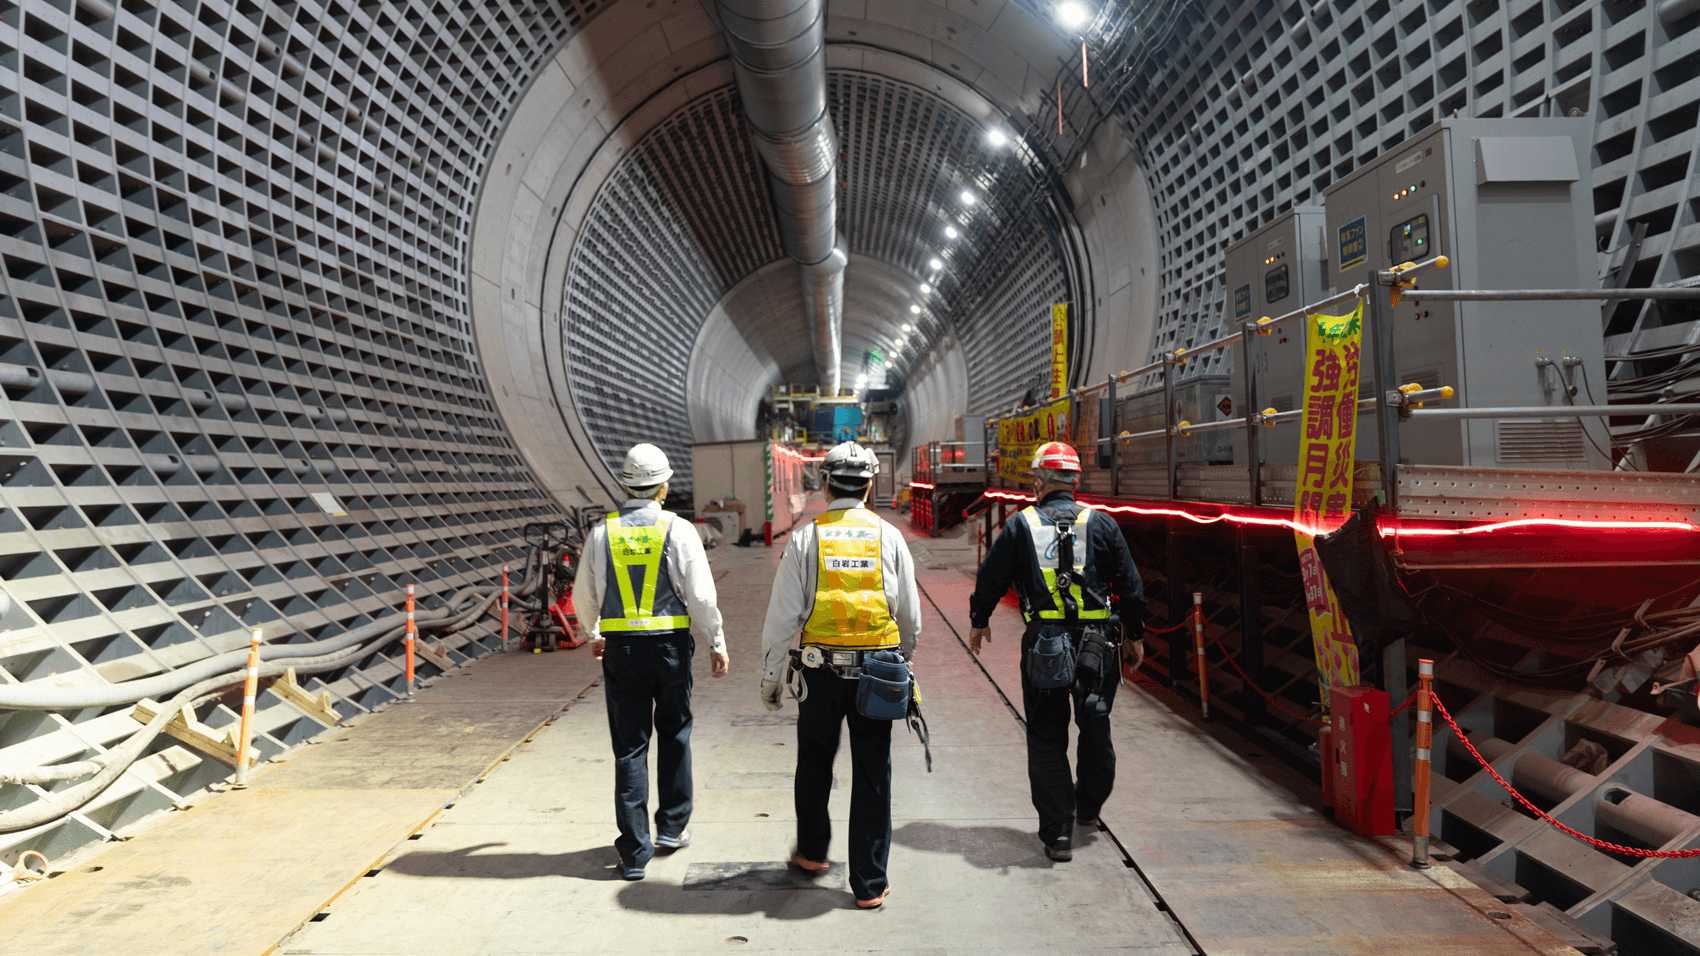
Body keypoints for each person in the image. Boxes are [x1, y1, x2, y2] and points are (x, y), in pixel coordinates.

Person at [759, 441, 921, 909]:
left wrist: (771, 676)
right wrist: (901, 663)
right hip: (875, 674)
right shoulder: (889, 537)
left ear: (825, 484)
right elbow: (909, 616)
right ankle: (869, 884)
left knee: (814, 762)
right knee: (873, 772)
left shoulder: (807, 540)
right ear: (870, 486)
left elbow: (782, 617)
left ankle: (812, 853)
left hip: (819, 675)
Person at [968, 441, 1148, 862]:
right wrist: (1135, 634)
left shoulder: (1020, 525)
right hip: (1097, 644)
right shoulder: (1102, 524)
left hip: (1045, 645)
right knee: (1095, 725)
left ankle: (1057, 833)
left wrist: (980, 620)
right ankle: (1088, 807)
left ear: (1039, 481)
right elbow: (1130, 584)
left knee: (1047, 736)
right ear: (1075, 480)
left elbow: (991, 576)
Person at [573, 443, 731, 881]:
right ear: (664, 485)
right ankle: (672, 829)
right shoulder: (677, 529)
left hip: (621, 650)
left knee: (630, 747)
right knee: (675, 734)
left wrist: (593, 632)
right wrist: (716, 640)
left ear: (625, 485)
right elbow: (700, 594)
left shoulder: (602, 532)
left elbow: (583, 593)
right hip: (670, 648)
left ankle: (634, 852)